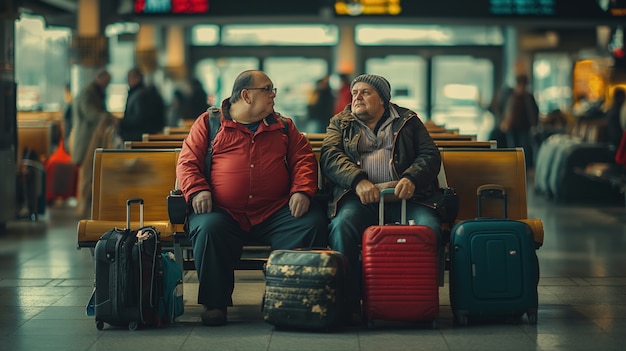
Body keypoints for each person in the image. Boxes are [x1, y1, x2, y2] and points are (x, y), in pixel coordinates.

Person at [176, 69, 329, 326]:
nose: (273, 95)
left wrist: (302, 190)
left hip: (274, 211)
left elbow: (304, 160)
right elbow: (187, 162)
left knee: (310, 223)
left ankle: (282, 295)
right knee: (207, 227)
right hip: (223, 210)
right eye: (268, 89)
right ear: (246, 95)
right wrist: (198, 189)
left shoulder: (284, 126)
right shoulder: (209, 122)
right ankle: (215, 303)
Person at [320, 74, 442, 323]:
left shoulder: (407, 120)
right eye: (355, 92)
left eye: (365, 92)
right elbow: (330, 156)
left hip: (408, 197)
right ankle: (350, 303)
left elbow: (429, 155)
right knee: (343, 226)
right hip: (359, 198)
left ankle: (418, 302)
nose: (357, 97)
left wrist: (412, 178)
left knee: (430, 228)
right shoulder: (340, 122)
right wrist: (357, 180)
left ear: (383, 100)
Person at [69, 69, 118, 218]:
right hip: (86, 140)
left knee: (90, 175)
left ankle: (86, 207)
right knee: (86, 175)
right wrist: (109, 117)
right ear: (99, 78)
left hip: (92, 139)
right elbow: (90, 113)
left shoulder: (95, 93)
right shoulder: (87, 94)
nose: (106, 86)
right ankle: (82, 208)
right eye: (106, 82)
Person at [500, 74, 539, 169]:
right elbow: (507, 110)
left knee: (523, 149)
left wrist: (534, 124)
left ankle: (522, 168)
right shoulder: (512, 96)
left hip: (525, 127)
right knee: (512, 148)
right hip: (512, 127)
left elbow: (534, 112)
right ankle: (513, 168)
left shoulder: (528, 97)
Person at [118, 67, 165, 141]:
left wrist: (120, 122)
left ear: (137, 78)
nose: (128, 81)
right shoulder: (141, 93)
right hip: (141, 136)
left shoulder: (140, 95)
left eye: (130, 77)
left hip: (137, 137)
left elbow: (139, 119)